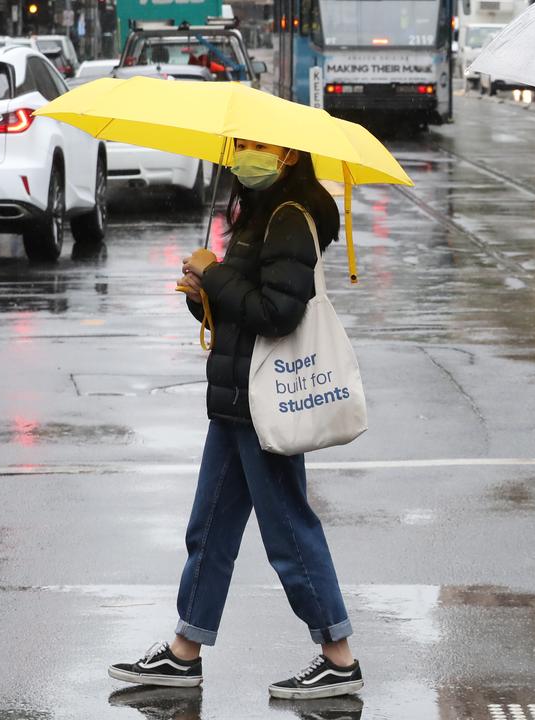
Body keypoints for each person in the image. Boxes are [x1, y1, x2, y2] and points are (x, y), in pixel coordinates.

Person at [108, 138, 363, 701]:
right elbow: (242, 305)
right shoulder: (256, 212)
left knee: (288, 531)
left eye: (260, 146)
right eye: (241, 144)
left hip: (261, 400)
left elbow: (277, 314)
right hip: (234, 399)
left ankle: (339, 658)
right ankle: (184, 651)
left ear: (291, 156)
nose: (247, 154)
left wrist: (215, 276)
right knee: (210, 528)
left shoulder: (292, 218)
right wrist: (202, 293)